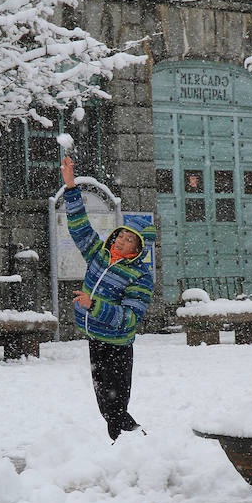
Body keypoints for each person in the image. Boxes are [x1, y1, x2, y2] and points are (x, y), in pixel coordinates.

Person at [60, 156, 156, 442]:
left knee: (115, 405)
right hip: (95, 337)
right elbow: (79, 227)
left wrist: (95, 305)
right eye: (121, 236)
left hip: (117, 345)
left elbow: (129, 318)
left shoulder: (140, 276)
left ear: (138, 248)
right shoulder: (99, 254)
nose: (121, 242)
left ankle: (138, 442)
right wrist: (70, 186)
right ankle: (127, 444)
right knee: (105, 403)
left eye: (129, 240)